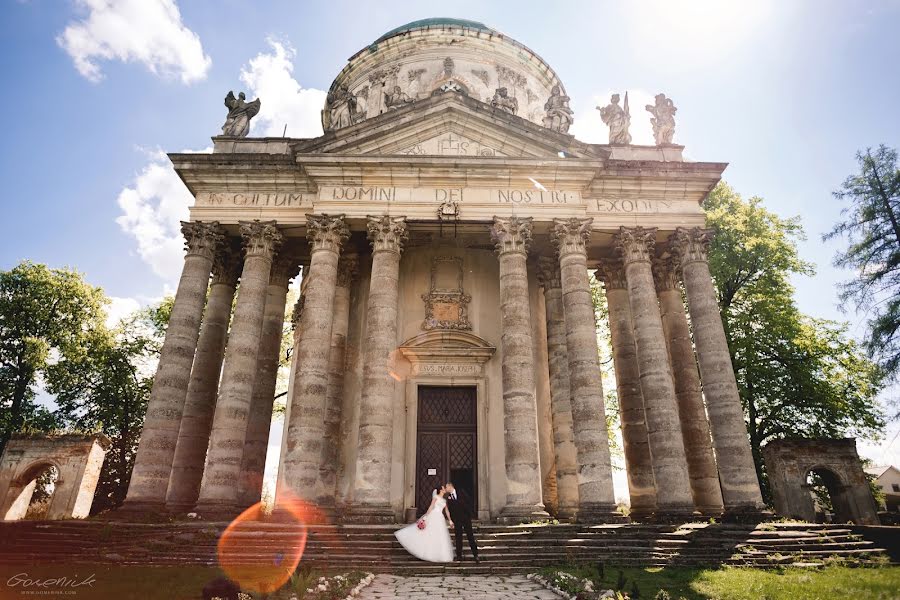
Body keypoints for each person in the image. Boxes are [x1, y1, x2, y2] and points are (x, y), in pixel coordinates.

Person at [394, 485, 454, 562]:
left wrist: (450, 520)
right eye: (443, 488)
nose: (445, 489)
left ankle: (438, 553)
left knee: (439, 535)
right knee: (429, 533)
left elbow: (446, 511)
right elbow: (431, 507)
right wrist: (425, 516)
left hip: (440, 518)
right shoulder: (436, 497)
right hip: (433, 515)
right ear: (440, 490)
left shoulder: (444, 500)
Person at [444, 482, 479, 563]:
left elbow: (468, 501)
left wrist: (469, 514)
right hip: (457, 520)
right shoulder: (448, 497)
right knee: (458, 538)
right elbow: (451, 510)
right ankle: (459, 556)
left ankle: (476, 555)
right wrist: (452, 520)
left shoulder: (461, 491)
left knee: (470, 537)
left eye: (446, 487)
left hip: (466, 518)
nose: (446, 489)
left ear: (450, 486)